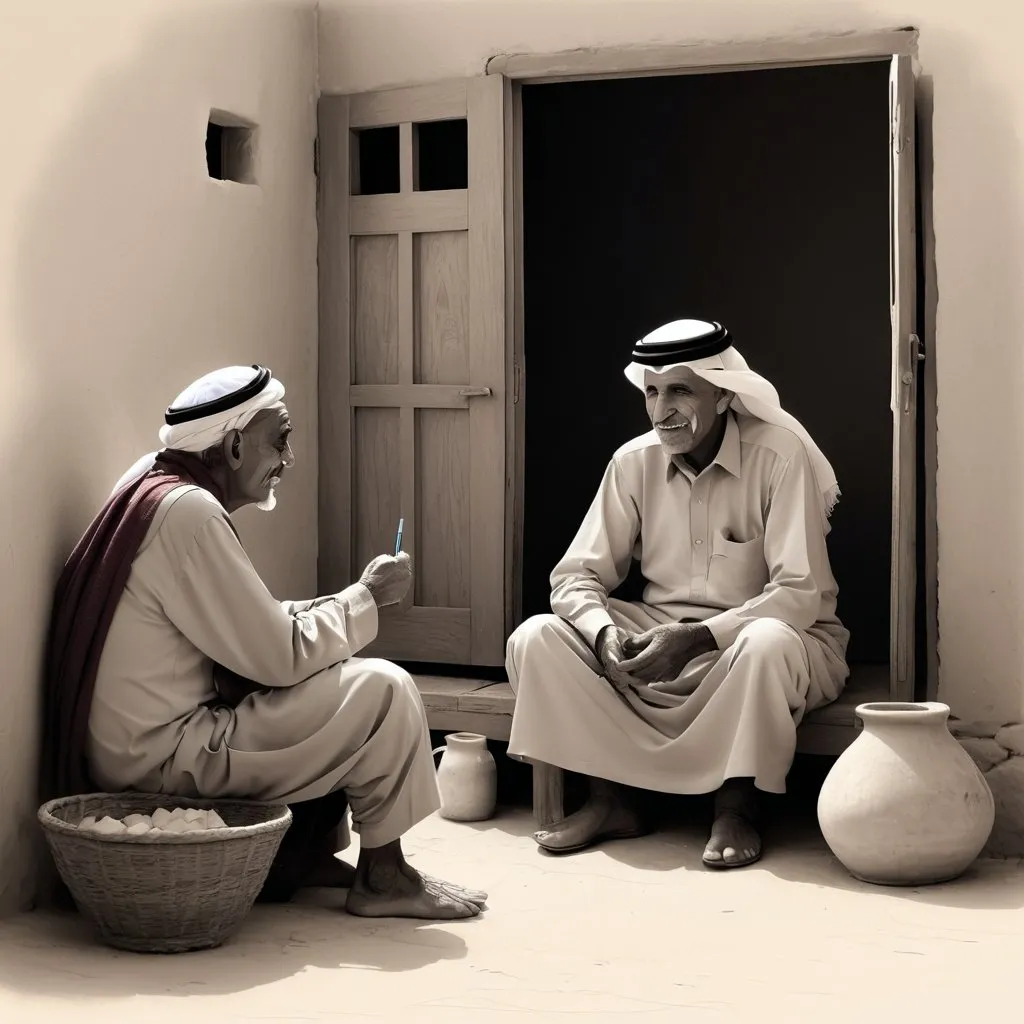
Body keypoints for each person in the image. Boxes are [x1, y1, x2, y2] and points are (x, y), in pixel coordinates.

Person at [42, 364, 487, 920]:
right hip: (165, 756)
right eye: (280, 441)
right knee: (383, 689)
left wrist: (345, 602)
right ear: (232, 447)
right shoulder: (190, 512)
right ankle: (385, 877)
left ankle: (304, 862)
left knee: (332, 670)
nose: (288, 461)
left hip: (137, 745)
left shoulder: (154, 486)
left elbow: (249, 624)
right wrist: (367, 597)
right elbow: (279, 656)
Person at [505, 319, 850, 869]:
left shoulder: (779, 456)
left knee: (765, 642)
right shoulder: (632, 462)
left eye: (681, 389)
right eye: (651, 391)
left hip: (761, 643)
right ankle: (611, 800)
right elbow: (574, 577)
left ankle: (737, 806)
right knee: (539, 636)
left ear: (722, 392)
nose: (662, 407)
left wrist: (697, 637)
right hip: (657, 638)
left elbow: (800, 592)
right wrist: (604, 635)